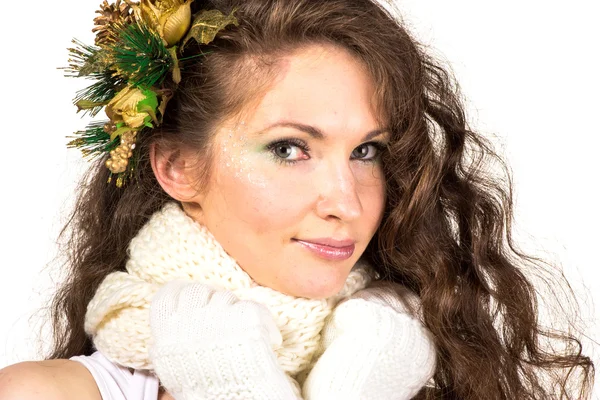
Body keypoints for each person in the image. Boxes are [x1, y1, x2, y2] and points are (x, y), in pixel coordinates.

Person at [0, 0, 594, 399]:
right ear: (179, 166)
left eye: (367, 152)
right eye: (289, 149)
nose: (346, 201)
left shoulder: (420, 366)